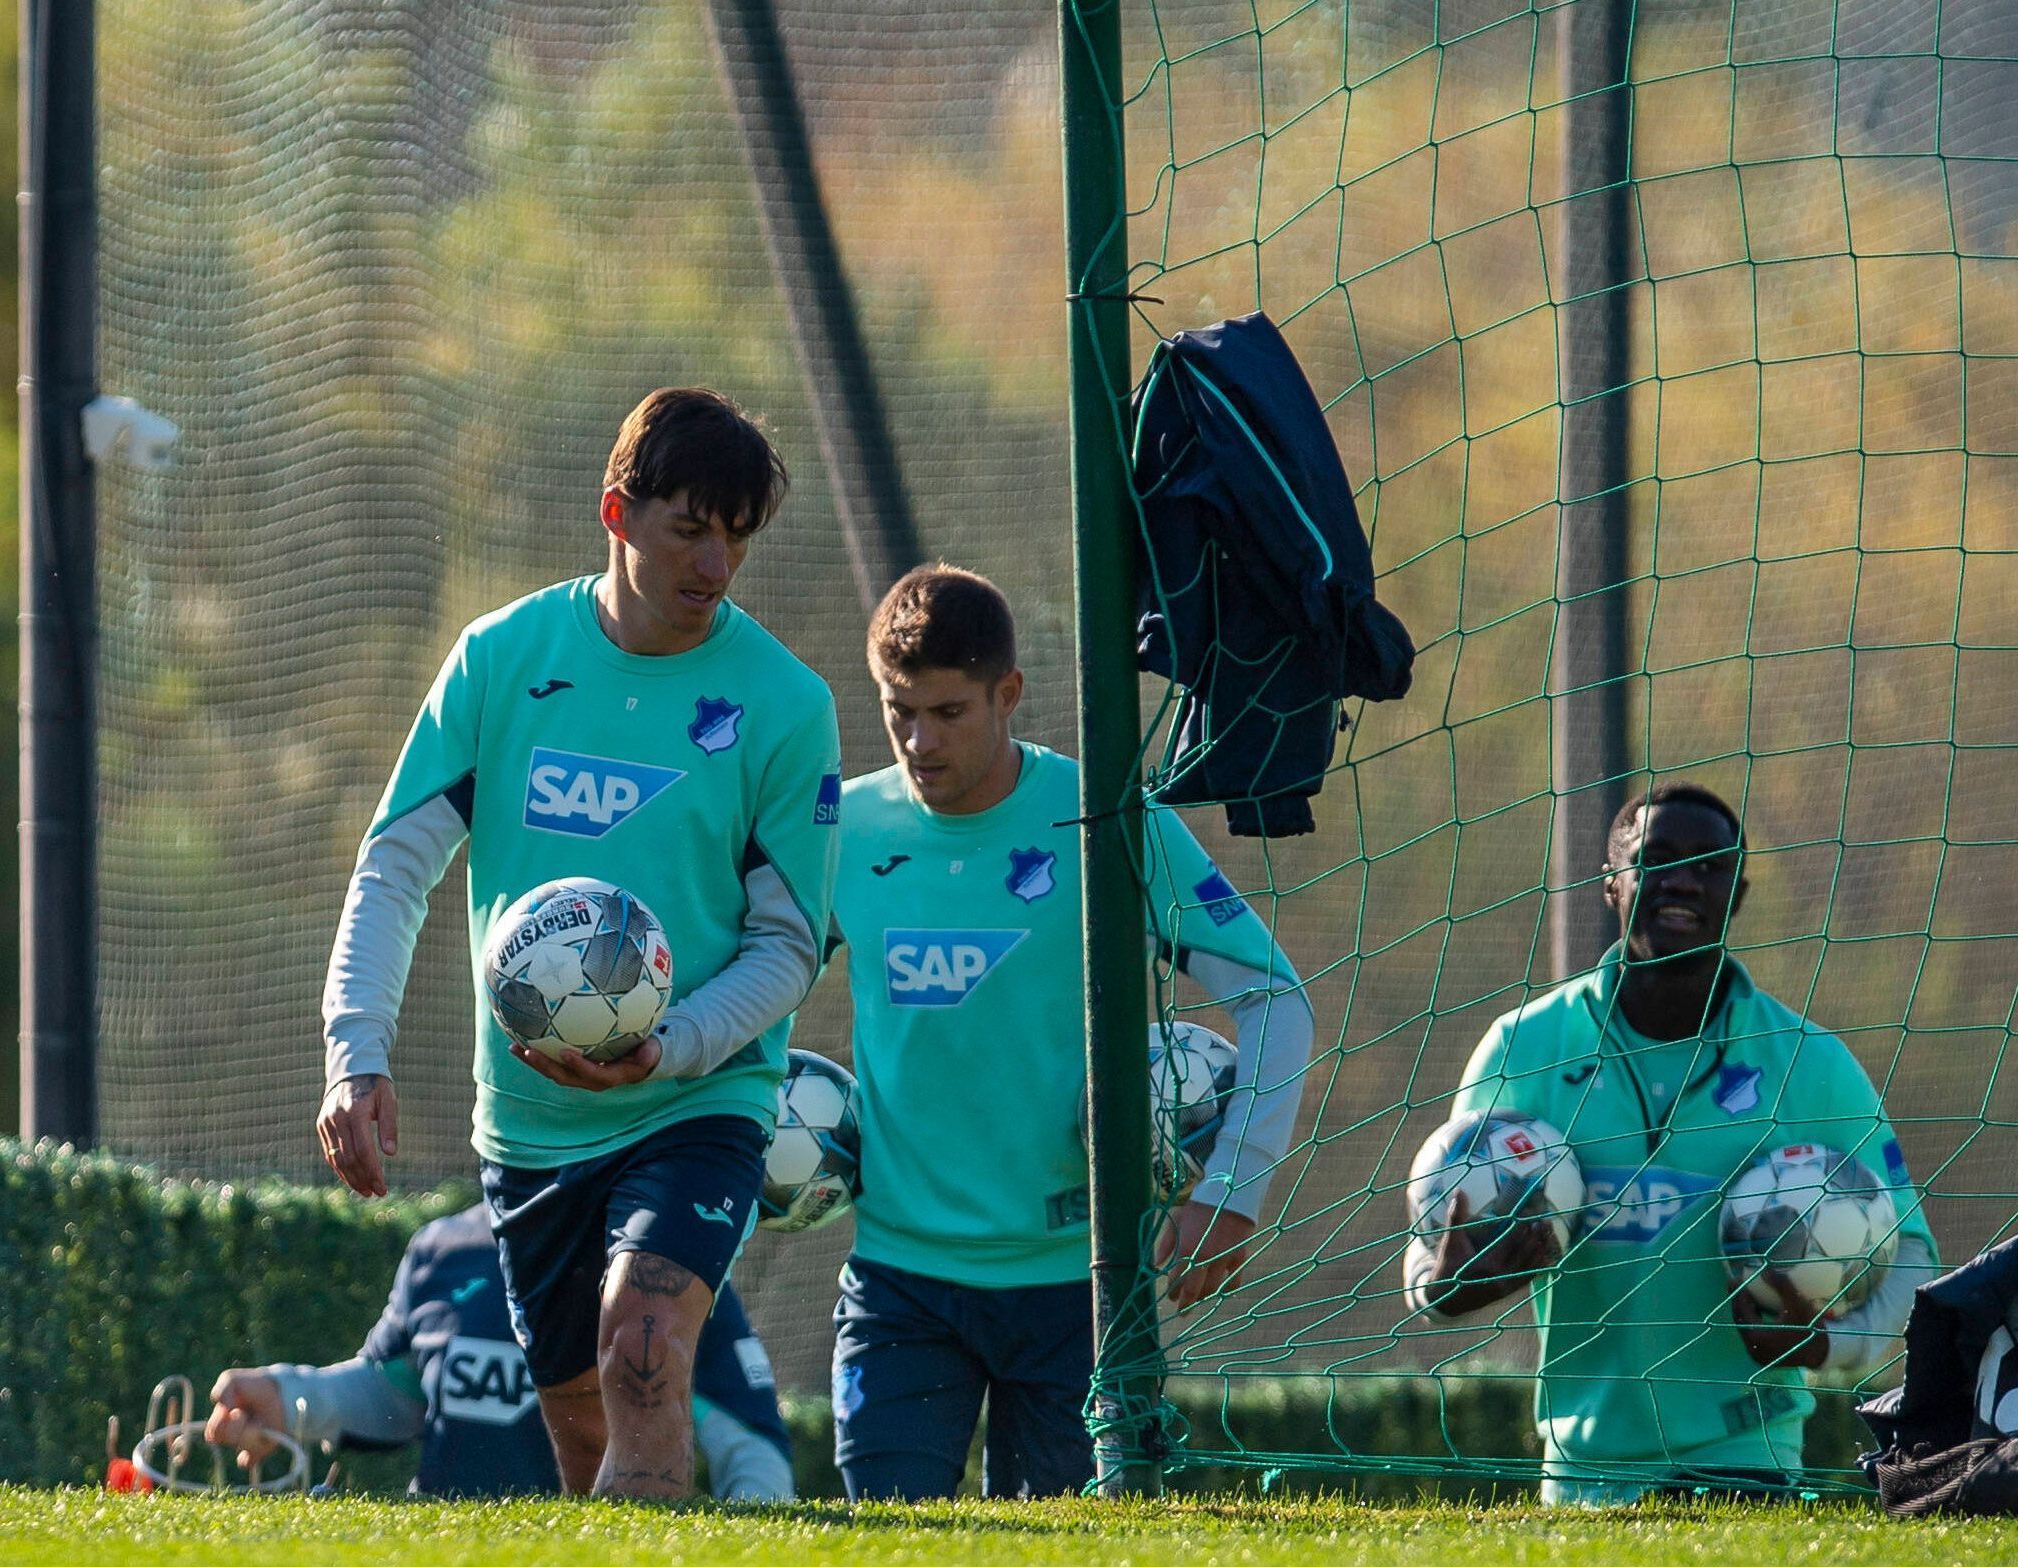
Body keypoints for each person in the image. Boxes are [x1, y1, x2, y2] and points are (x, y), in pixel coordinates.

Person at [318, 387, 840, 1501]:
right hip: (530, 1122)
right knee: (582, 1430)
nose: (714, 563)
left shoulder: (785, 705)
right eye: (688, 528)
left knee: (639, 1342)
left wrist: (679, 1043)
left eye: (736, 537)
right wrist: (354, 1049)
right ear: (617, 510)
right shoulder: (498, 660)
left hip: (699, 1101)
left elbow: (789, 947)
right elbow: (394, 866)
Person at [823, 564, 1312, 1500]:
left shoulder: (1105, 818)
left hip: (1079, 1285)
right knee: (887, 1558)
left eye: (949, 711)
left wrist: (1233, 1187)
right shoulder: (841, 827)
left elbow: (1274, 998)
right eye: (899, 712)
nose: (919, 741)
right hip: (898, 1277)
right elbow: (761, 976)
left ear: (1008, 693)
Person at [1406, 783, 1941, 1504]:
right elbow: (1431, 1243)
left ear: (1736, 893)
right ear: (1611, 883)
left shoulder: (1810, 1064)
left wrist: (1824, 1348)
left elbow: (1913, 1262)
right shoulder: (1523, 1047)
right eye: (1657, 858)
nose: (1684, 878)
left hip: (1749, 1464)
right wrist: (1445, 1289)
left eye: (1709, 864)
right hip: (1578, 1474)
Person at [202, 1203, 796, 1499]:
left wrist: (713, 1562)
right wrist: (286, 1396)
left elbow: (754, 1454)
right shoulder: (444, 1246)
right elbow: (394, 1392)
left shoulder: (665, 1274)